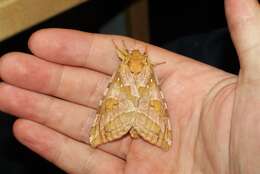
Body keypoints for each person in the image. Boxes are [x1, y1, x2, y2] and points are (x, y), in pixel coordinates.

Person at [0, 0, 259, 173]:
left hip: (121, 94)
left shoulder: (124, 66)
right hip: (149, 100)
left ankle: (108, 131)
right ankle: (153, 133)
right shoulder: (147, 67)